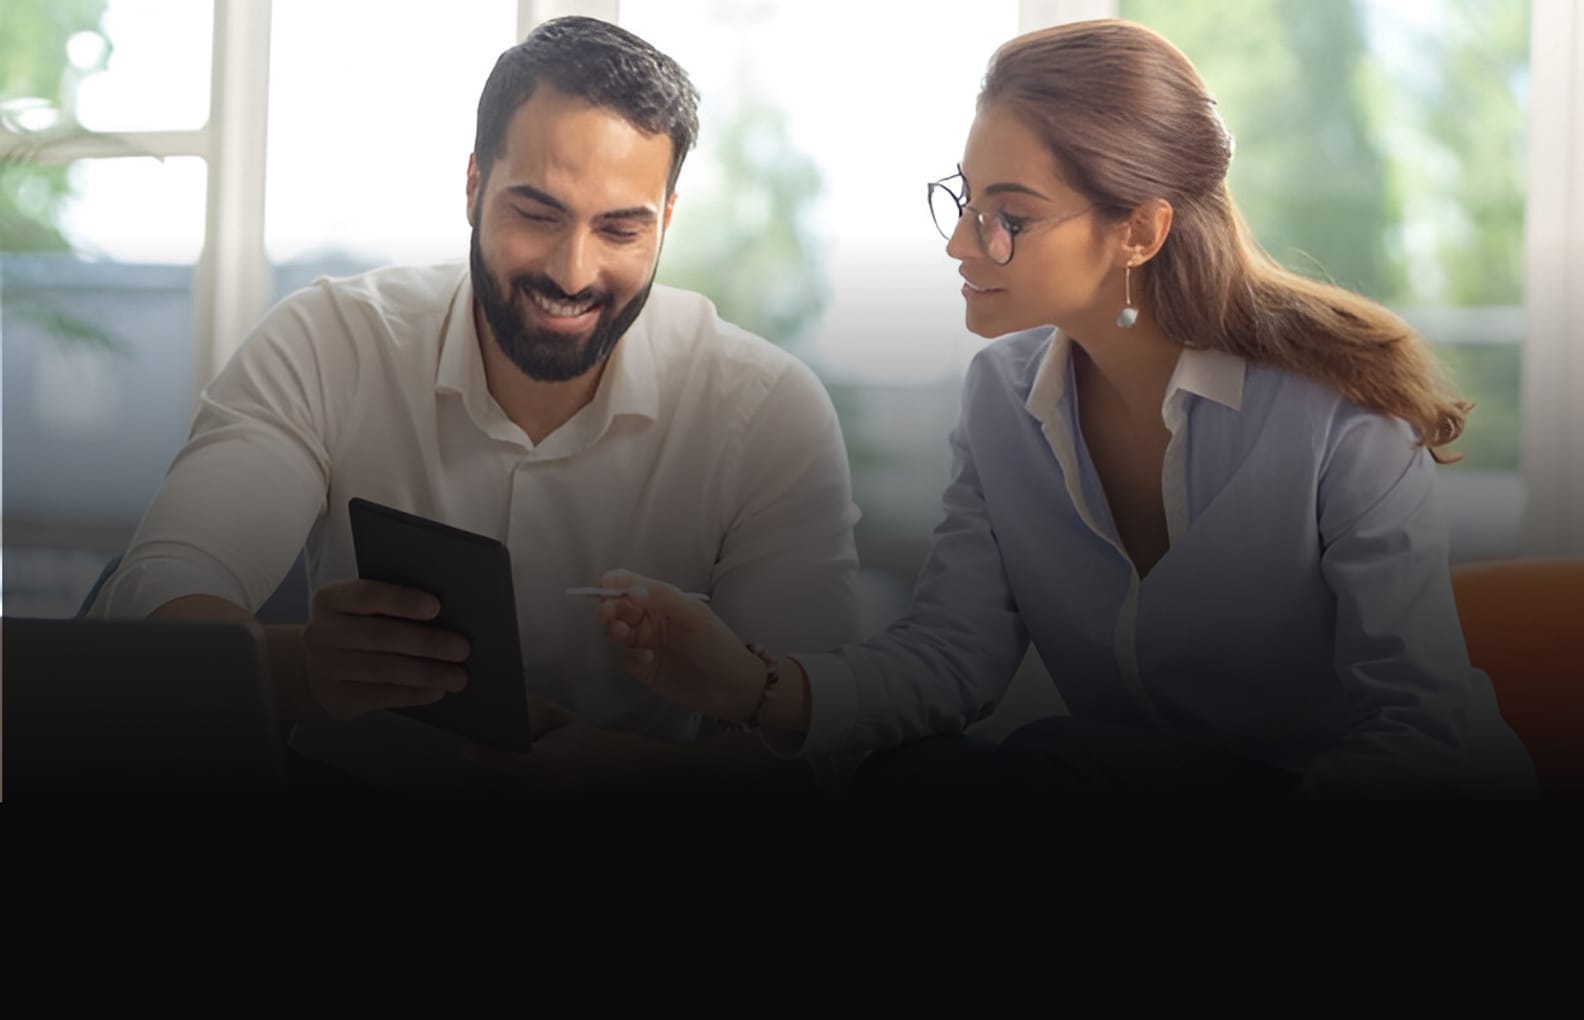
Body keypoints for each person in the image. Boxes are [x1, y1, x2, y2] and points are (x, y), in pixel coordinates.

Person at [592, 18, 1538, 801]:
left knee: (1061, 764)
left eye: (1010, 214)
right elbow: (951, 660)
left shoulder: (1336, 411)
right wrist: (749, 682)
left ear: (1139, 230)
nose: (963, 240)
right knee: (921, 773)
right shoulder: (1002, 400)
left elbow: (1420, 732)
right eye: (964, 199)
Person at [89, 16, 863, 797]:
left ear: (665, 221)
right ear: (472, 187)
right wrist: (301, 671)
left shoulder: (767, 411)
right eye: (538, 214)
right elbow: (159, 599)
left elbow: (814, 740)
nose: (572, 271)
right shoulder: (328, 340)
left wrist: (628, 774)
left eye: (620, 229)